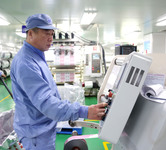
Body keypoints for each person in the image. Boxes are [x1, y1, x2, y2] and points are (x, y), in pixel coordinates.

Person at [10, 14, 107, 150]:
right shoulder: (26, 63)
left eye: (52, 34)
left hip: (42, 128)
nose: (51, 38)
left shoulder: (37, 56)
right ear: (30, 33)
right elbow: (46, 103)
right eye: (46, 34)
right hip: (35, 135)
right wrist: (84, 111)